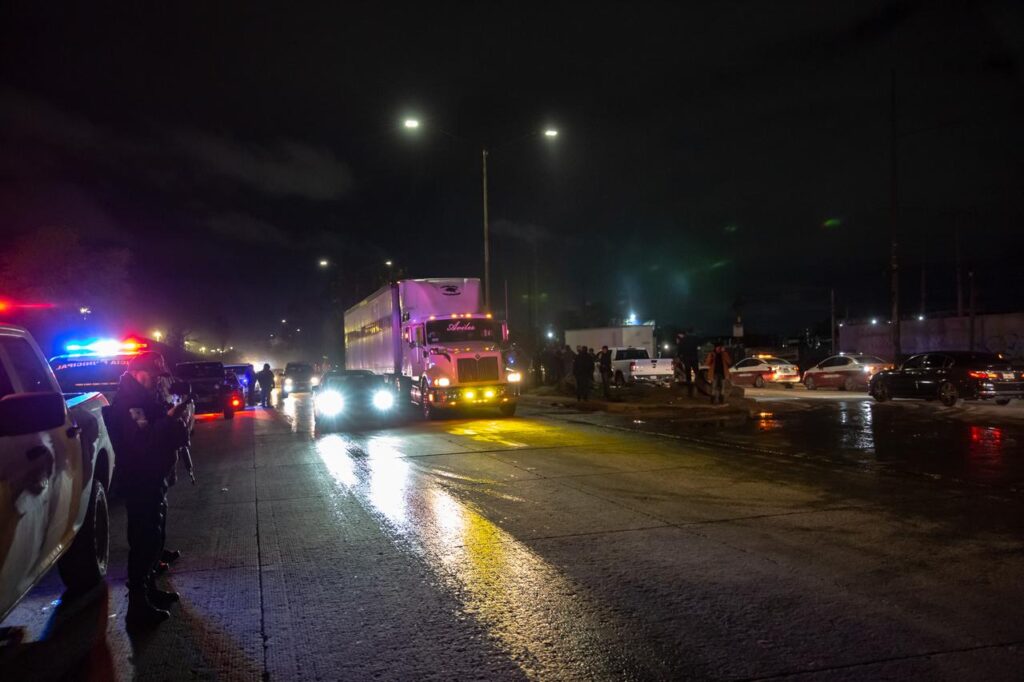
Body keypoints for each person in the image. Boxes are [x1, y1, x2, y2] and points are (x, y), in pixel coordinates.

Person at [108, 352, 189, 629]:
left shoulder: (147, 399)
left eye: (158, 377)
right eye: (153, 376)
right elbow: (144, 440)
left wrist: (176, 417)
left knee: (155, 536)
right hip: (140, 479)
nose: (156, 381)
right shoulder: (130, 404)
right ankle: (137, 606)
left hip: (155, 477)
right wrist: (168, 418)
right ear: (137, 373)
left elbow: (172, 436)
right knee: (143, 539)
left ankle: (150, 588)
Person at [676, 331, 700, 397]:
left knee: (688, 375)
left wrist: (678, 356)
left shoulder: (683, 340)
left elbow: (679, 350)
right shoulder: (695, 338)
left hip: (686, 358)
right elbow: (698, 346)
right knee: (697, 373)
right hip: (694, 358)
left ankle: (690, 392)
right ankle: (699, 387)